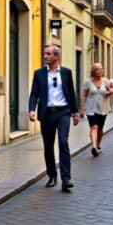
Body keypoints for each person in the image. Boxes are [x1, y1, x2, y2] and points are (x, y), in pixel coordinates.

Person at [28, 44, 80, 193]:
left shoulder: (66, 72)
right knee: (48, 146)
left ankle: (66, 179)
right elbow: (34, 93)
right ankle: (52, 175)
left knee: (63, 142)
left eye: (48, 54)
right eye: (44, 54)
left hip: (63, 112)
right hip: (47, 113)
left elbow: (71, 93)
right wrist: (32, 109)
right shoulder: (39, 74)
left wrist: (75, 113)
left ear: (56, 56)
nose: (45, 56)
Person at [80, 63, 113, 157]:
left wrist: (109, 92)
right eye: (98, 69)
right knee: (94, 127)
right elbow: (84, 96)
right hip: (91, 108)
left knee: (100, 128)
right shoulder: (88, 82)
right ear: (93, 71)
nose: (100, 71)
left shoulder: (106, 81)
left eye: (101, 69)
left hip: (103, 109)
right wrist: (82, 109)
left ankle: (98, 144)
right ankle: (94, 147)